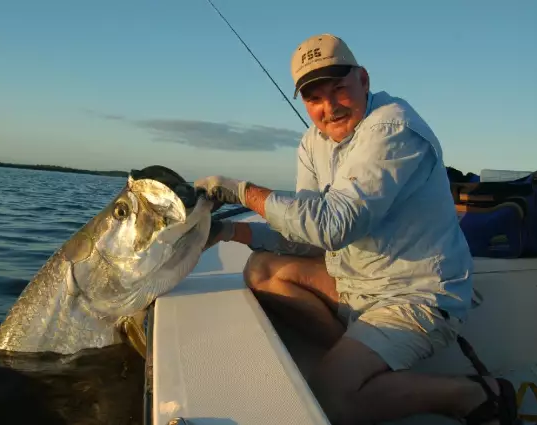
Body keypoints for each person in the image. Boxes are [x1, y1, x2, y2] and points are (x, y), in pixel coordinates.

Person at [194, 34, 518, 425]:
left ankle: (474, 393)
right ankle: (365, 364)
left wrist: (242, 192)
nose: (329, 108)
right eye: (314, 98)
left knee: (328, 399)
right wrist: (227, 233)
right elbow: (306, 232)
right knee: (260, 270)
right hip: (356, 284)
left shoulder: (393, 128)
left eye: (339, 89)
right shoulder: (312, 143)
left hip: (415, 295)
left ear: (363, 80)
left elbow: (332, 227)